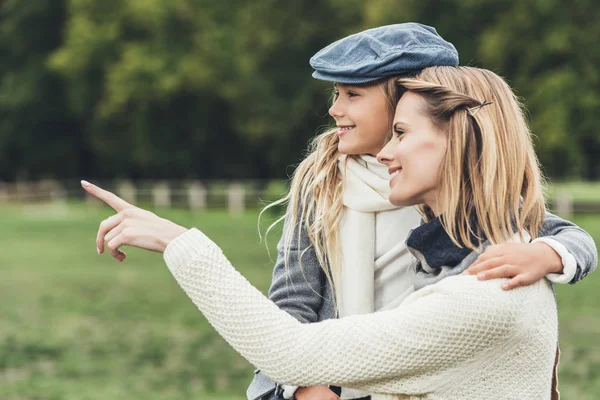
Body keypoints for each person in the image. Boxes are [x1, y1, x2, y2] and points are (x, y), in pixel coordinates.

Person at [81, 64, 595, 399]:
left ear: (458, 141)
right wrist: (305, 385)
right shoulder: (327, 185)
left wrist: (179, 242)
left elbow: (286, 347)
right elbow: (293, 306)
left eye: (400, 131)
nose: (387, 152)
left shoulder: (489, 284)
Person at [254, 23, 596, 400]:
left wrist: (545, 253)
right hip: (331, 381)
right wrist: (301, 387)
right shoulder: (320, 181)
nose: (335, 108)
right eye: (336, 93)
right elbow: (290, 303)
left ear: (403, 97)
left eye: (353, 94)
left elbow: (572, 238)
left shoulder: (451, 187)